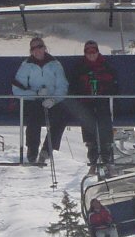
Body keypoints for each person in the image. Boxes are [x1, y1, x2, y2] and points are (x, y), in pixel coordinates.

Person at [12, 37, 68, 164]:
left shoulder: (55, 65)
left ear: (44, 48)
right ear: (31, 51)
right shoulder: (26, 66)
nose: (37, 50)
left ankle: (47, 150)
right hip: (34, 100)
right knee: (33, 117)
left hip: (52, 100)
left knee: (62, 117)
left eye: (40, 47)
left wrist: (53, 99)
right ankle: (32, 149)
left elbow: (62, 86)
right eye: (33, 48)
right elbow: (17, 90)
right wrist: (35, 94)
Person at [70, 40, 118, 171]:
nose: (91, 54)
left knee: (104, 117)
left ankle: (106, 152)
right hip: (86, 101)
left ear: (97, 52)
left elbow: (114, 83)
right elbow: (73, 85)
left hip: (103, 99)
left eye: (93, 51)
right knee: (87, 117)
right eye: (88, 52)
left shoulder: (105, 66)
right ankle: (93, 154)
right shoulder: (80, 67)